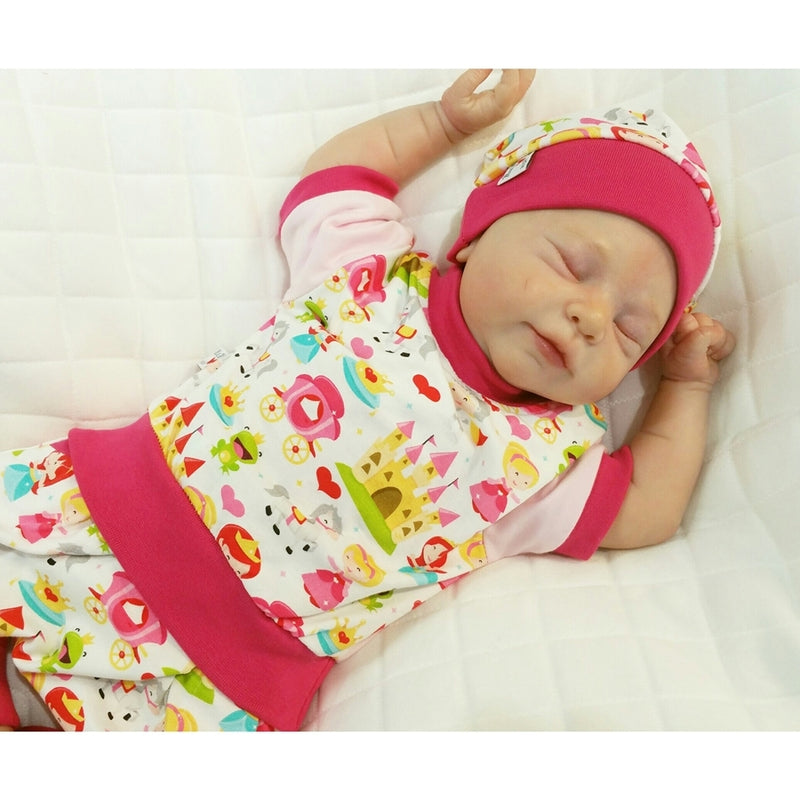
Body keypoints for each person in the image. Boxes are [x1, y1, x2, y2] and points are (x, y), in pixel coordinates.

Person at [0, 69, 735, 731]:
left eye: (631, 330)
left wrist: (687, 384)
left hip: (212, 669)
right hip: (90, 518)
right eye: (571, 265)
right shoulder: (368, 274)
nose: (592, 316)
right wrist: (441, 123)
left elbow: (648, 505)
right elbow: (339, 176)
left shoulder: (543, 462)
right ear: (475, 237)